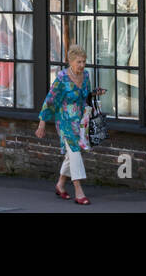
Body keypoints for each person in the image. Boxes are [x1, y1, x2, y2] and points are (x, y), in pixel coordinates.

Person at [35, 44, 106, 205]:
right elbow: (50, 100)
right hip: (65, 121)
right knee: (74, 152)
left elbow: (85, 96)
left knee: (71, 154)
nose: (82, 65)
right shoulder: (62, 78)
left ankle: (60, 185)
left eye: (84, 61)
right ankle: (78, 191)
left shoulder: (86, 75)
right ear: (71, 61)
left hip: (81, 121)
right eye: (79, 62)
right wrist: (42, 124)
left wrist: (95, 93)